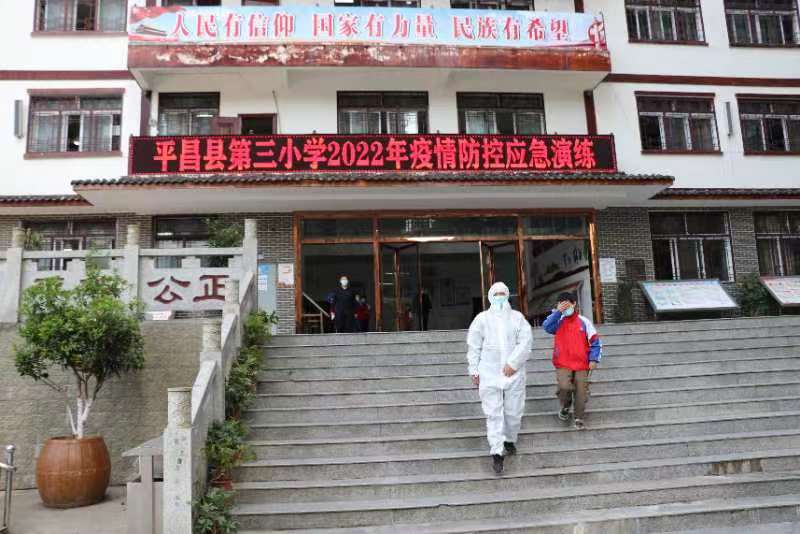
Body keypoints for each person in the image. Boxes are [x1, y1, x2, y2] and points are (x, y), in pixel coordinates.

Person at [466, 282, 533, 475]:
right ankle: (497, 452)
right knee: (493, 414)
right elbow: (474, 346)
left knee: (513, 412)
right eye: (496, 294)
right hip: (489, 372)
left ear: (508, 295)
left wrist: (513, 363)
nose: (499, 297)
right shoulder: (481, 319)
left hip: (514, 373)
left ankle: (509, 439)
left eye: (503, 293)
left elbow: (526, 342)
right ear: (489, 297)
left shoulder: (517, 318)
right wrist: (474, 370)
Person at [542, 291, 602, 431]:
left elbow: (595, 341)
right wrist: (558, 312)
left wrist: (593, 359)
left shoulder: (584, 321)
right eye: (561, 304)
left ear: (574, 304)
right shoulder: (558, 320)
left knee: (581, 391)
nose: (564, 307)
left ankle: (579, 417)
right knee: (564, 387)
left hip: (582, 363)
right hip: (563, 362)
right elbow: (546, 327)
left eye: (566, 304)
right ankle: (565, 406)